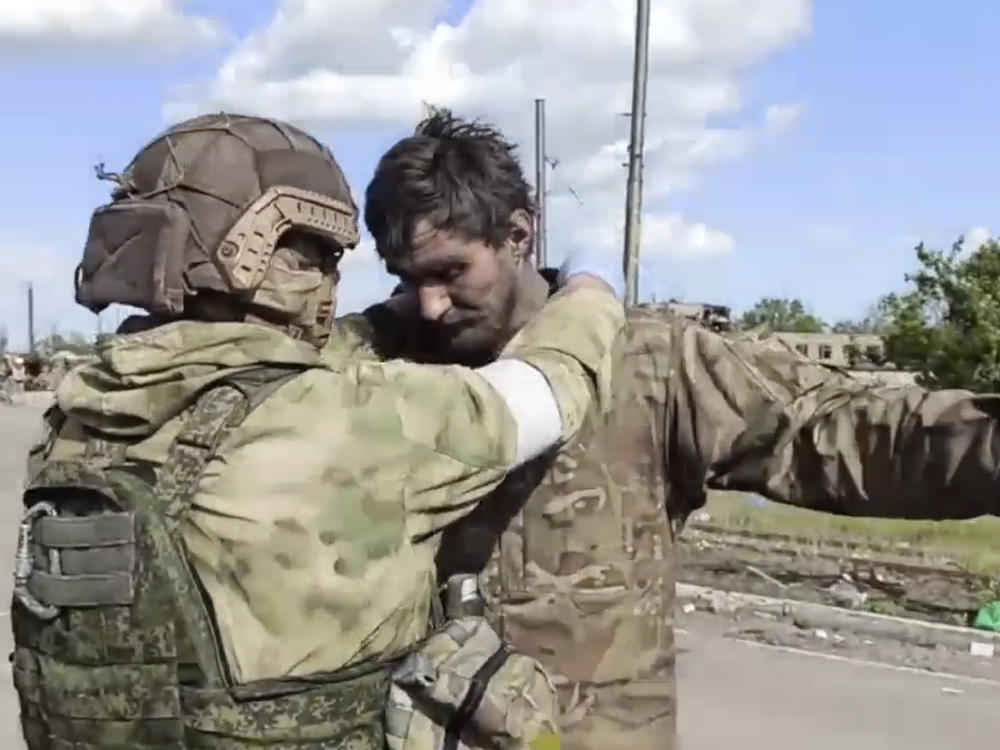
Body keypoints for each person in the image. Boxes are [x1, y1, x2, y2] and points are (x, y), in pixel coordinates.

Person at [335, 107, 1000, 750]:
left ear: (518, 235)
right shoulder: (382, 367)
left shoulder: (651, 362)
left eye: (450, 273)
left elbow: (840, 431)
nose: (430, 304)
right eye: (407, 280)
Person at [10, 113, 625, 750]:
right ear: (263, 258)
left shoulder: (80, 420)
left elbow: (258, 367)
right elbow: (551, 384)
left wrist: (387, 319)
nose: (331, 278)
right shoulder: (352, 423)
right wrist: (591, 287)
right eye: (322, 257)